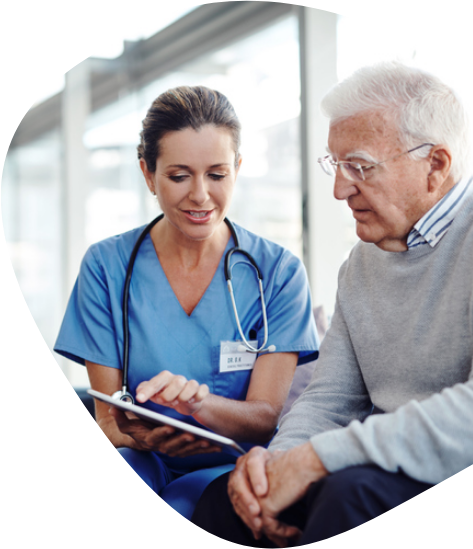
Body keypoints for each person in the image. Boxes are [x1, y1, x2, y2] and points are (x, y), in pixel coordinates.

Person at [190, 62, 473, 546]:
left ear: (436, 165)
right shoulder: (361, 264)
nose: (340, 189)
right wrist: (277, 467)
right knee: (226, 501)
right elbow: (328, 399)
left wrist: (319, 459)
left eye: (360, 167)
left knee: (349, 495)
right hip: (398, 468)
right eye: (335, 165)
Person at [54, 86, 319, 521]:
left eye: (217, 175)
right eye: (179, 176)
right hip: (140, 456)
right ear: (147, 173)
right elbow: (107, 420)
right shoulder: (106, 266)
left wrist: (198, 408)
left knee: (186, 505)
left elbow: (265, 418)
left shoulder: (278, 272)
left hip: (231, 463)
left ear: (237, 168)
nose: (200, 195)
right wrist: (140, 437)